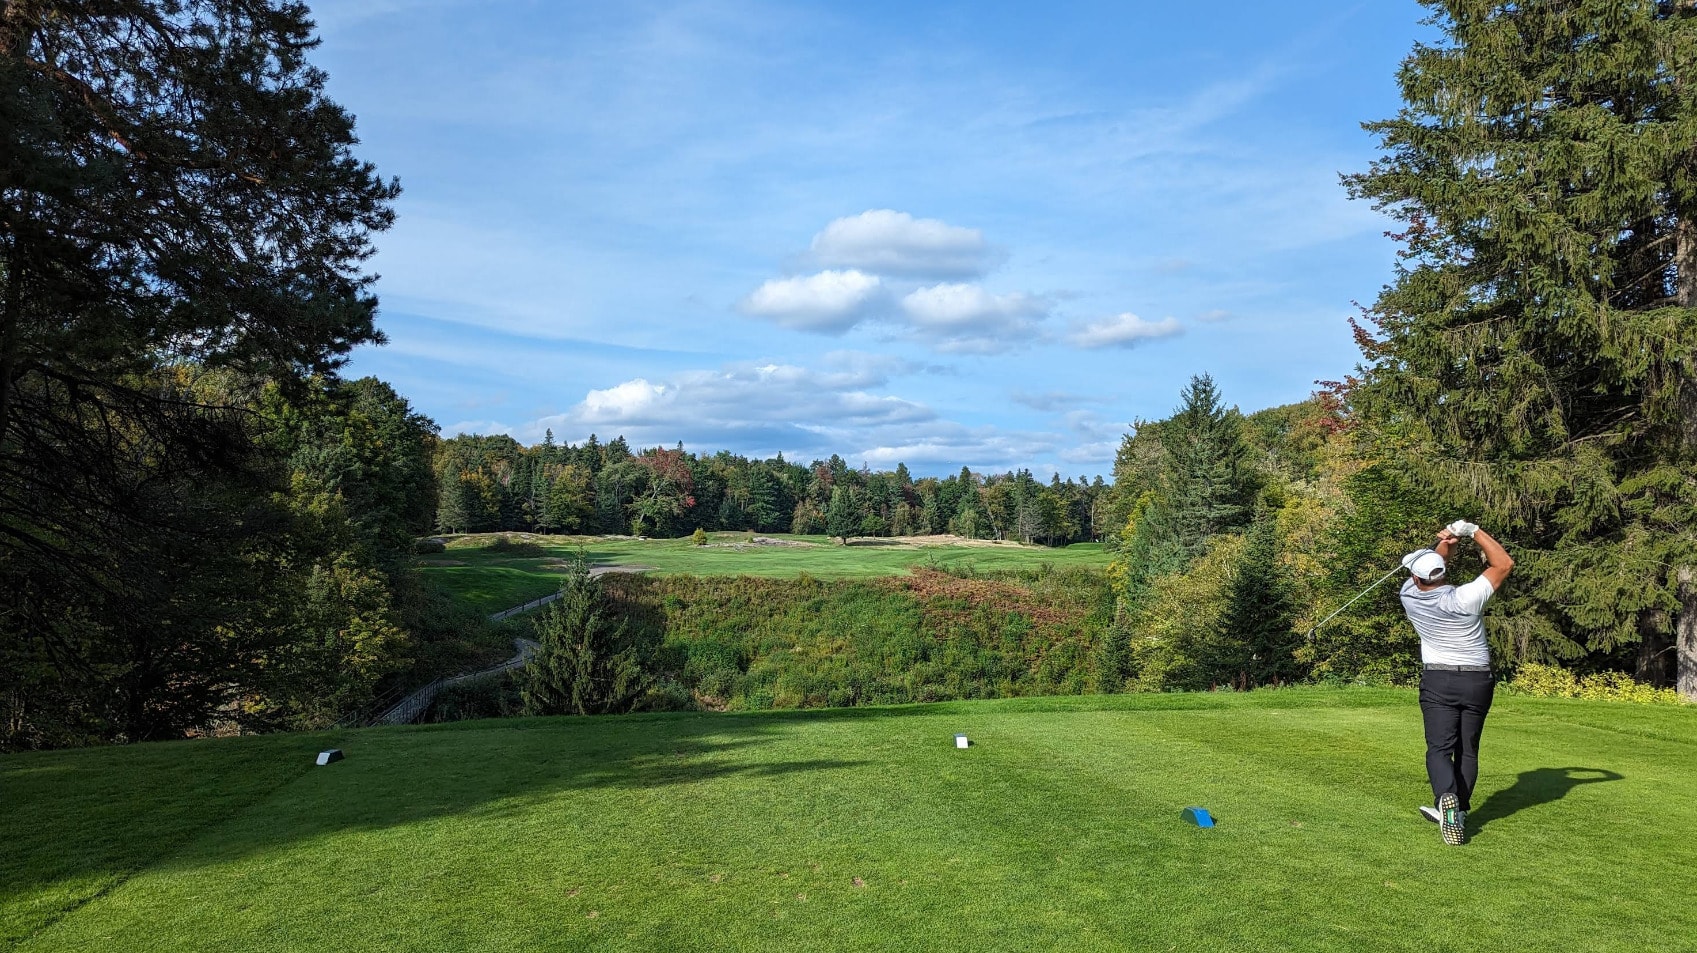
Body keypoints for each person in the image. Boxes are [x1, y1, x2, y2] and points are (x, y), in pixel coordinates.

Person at [1399, 520, 1514, 845]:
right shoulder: (1467, 597)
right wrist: (1471, 531)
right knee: (1468, 750)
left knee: (1439, 749)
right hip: (1477, 680)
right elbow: (1503, 564)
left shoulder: (1409, 595)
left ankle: (1445, 800)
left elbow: (1436, 563)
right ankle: (1459, 810)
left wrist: (1447, 543)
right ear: (1440, 574)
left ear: (1415, 577)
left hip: (1438, 679)